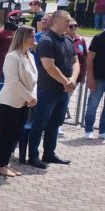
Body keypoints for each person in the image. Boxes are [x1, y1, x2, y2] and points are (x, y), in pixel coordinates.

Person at [28, 10, 78, 168]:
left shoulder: (68, 40)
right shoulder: (46, 40)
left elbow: (76, 62)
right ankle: (33, 156)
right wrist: (66, 82)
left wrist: (73, 80)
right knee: (40, 123)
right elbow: (49, 66)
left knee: (55, 123)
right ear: (56, 21)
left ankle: (49, 153)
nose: (69, 23)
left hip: (63, 91)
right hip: (47, 89)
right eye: (66, 20)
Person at [0, 26, 38, 177]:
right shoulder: (12, 56)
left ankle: (5, 162)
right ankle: (0, 164)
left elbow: (33, 80)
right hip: (10, 102)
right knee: (7, 134)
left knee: (16, 134)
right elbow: (13, 82)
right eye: (32, 36)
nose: (35, 39)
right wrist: (29, 97)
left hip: (24, 102)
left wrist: (32, 97)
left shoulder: (29, 55)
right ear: (23, 38)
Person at [0, 11, 22, 82]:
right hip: (3, 67)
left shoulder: (23, 33)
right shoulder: (1, 33)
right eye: (15, 18)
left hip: (18, 68)